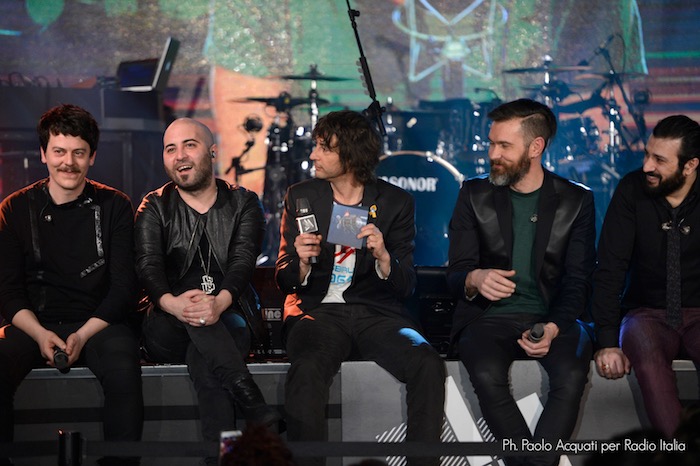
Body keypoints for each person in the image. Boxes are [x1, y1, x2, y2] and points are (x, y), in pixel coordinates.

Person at [275, 110, 446, 466]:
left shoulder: (395, 202)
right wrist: (301, 262)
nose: (313, 155)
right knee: (307, 369)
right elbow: (284, 278)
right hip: (318, 311)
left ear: (351, 154)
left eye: (324, 148)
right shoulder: (302, 196)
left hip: (376, 313)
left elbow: (406, 285)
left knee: (427, 362)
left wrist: (383, 256)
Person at [447, 98, 596, 466]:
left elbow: (578, 281)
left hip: (552, 315)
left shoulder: (576, 200)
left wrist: (553, 326)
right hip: (488, 317)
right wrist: (475, 278)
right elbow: (455, 274)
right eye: (491, 143)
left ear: (535, 147)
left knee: (572, 375)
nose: (492, 154)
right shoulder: (473, 194)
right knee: (485, 372)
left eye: (504, 145)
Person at [0, 104, 143, 466]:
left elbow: (123, 289)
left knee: (124, 367)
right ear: (43, 154)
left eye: (79, 153)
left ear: (92, 156)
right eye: (59, 152)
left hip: (98, 323)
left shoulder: (115, 205)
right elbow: (8, 292)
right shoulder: (13, 208)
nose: (68, 162)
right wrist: (39, 334)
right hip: (34, 323)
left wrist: (81, 335)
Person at [134, 118, 280, 465]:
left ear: (212, 152)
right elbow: (147, 267)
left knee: (209, 366)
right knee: (206, 330)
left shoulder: (244, 202)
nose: (180, 156)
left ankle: (220, 459)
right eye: (170, 149)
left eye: (190, 145)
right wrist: (175, 304)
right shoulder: (154, 206)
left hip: (229, 315)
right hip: (167, 322)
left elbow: (243, 263)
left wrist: (219, 303)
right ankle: (252, 403)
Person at [592, 115, 700, 439]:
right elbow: (609, 268)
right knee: (649, 361)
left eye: (659, 160)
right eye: (647, 154)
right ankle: (680, 453)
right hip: (645, 313)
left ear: (690, 165)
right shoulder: (631, 189)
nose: (647, 166)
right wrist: (607, 342)